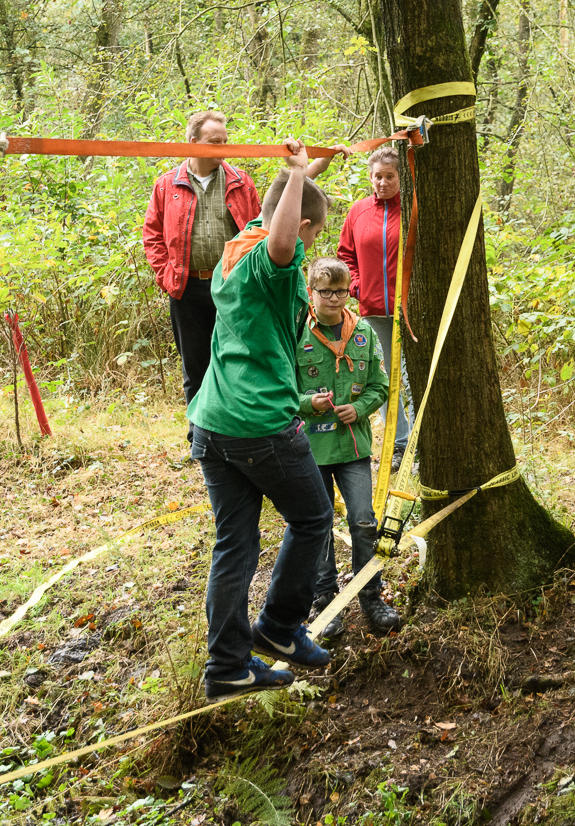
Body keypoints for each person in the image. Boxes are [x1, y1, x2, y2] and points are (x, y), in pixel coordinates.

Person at [190, 147, 335, 695]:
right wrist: (296, 174)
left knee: (234, 544)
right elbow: (283, 238)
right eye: (312, 236)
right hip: (260, 423)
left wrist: (302, 174)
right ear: (300, 230)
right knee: (313, 518)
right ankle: (278, 627)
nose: (308, 247)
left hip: (213, 422)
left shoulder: (236, 245)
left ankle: (226, 666)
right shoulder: (271, 262)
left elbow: (274, 214)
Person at [143, 109, 344, 408]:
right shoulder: (166, 185)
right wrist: (168, 277)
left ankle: (232, 418)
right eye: (215, 142)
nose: (223, 148)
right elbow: (152, 235)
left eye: (226, 141)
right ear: (193, 142)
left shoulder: (240, 181)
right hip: (187, 287)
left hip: (237, 286)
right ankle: (199, 429)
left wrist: (312, 167)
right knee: (195, 366)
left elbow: (270, 221)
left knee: (235, 360)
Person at [295, 257, 402, 638]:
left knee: (363, 520)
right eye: (326, 292)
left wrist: (359, 408)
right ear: (311, 291)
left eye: (341, 291)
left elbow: (380, 385)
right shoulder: (296, 331)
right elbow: (282, 389)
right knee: (318, 524)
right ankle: (324, 600)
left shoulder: (364, 333)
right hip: (310, 447)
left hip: (353, 446)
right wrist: (309, 403)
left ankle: (370, 596)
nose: (334, 299)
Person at [337, 146, 412, 469]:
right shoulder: (358, 212)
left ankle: (421, 446)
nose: (383, 182)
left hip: (409, 311)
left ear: (401, 177)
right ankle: (399, 444)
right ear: (370, 177)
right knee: (384, 381)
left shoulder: (411, 208)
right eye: (377, 176)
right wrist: (357, 287)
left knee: (411, 378)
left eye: (389, 176)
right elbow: (345, 255)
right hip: (373, 311)